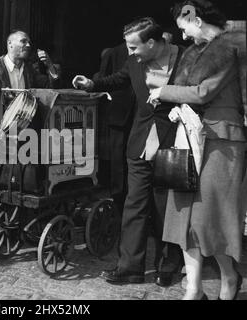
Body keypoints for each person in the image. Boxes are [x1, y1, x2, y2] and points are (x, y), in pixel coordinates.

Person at [73, 17, 185, 287]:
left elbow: (200, 93)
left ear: (151, 42)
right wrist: (92, 84)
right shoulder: (134, 60)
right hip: (140, 141)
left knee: (167, 208)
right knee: (134, 204)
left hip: (173, 142)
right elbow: (119, 79)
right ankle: (130, 268)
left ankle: (168, 264)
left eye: (134, 47)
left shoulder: (186, 58)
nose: (130, 53)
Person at [148, 0, 246, 300]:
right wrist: (178, 106)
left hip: (221, 142)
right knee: (183, 220)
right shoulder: (196, 52)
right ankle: (193, 290)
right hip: (190, 138)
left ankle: (229, 279)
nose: (184, 37)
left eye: (184, 28)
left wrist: (164, 91)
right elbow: (193, 96)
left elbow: (204, 92)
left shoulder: (228, 49)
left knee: (209, 219)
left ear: (197, 19)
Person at [0, 30, 59, 250]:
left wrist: (49, 66)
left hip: (19, 139)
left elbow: (48, 90)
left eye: (29, 41)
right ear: (10, 44)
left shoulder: (29, 69)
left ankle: (16, 229)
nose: (28, 44)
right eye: (23, 41)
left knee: (18, 185)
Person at [92, 43, 136, 214]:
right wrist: (92, 84)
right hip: (119, 113)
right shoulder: (114, 52)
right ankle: (118, 201)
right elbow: (106, 79)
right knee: (118, 161)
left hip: (141, 115)